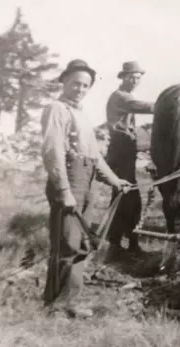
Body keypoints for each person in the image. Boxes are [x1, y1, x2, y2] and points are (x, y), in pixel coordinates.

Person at [41, 59, 131, 318]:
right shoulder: (56, 109)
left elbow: (94, 157)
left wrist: (115, 180)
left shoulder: (80, 113)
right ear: (64, 82)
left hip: (85, 180)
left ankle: (68, 301)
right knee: (67, 243)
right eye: (75, 83)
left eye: (85, 85)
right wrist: (64, 191)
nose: (80, 89)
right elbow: (52, 152)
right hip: (69, 182)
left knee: (82, 242)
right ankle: (57, 306)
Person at [104, 61, 155, 254]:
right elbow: (140, 106)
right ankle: (117, 242)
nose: (135, 81)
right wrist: (167, 105)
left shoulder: (126, 96)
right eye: (132, 77)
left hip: (126, 149)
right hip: (120, 150)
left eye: (138, 78)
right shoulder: (121, 97)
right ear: (123, 78)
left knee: (129, 196)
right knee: (125, 195)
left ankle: (124, 240)